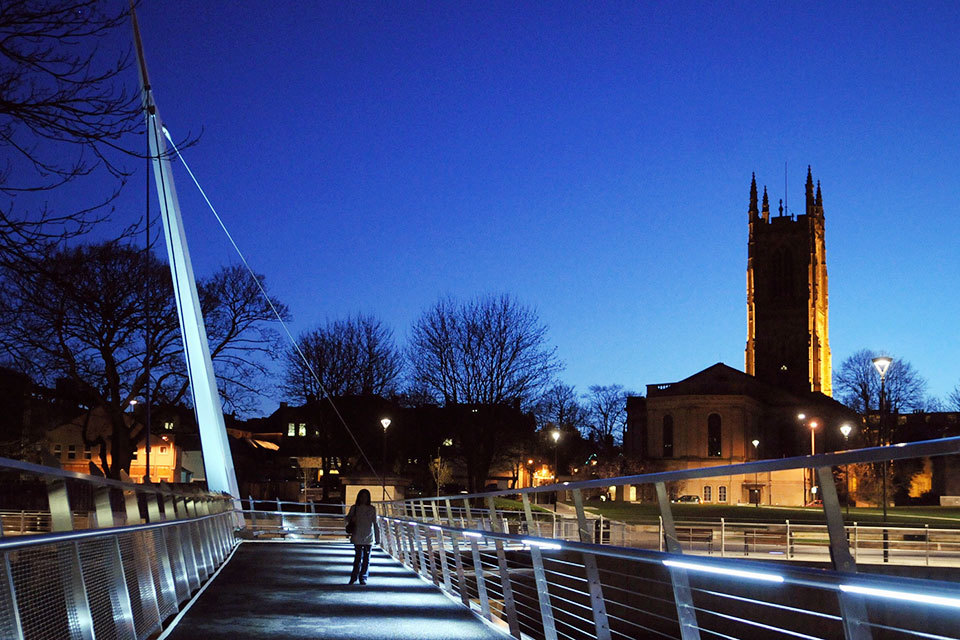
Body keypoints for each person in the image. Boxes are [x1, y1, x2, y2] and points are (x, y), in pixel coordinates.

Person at [345, 489, 380, 585]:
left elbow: (375, 523)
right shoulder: (354, 508)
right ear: (359, 497)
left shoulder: (372, 509)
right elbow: (347, 518)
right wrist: (352, 519)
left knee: (366, 559)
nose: (363, 498)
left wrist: (377, 538)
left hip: (368, 536)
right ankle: (354, 577)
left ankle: (363, 577)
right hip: (357, 535)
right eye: (362, 496)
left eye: (366, 496)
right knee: (358, 558)